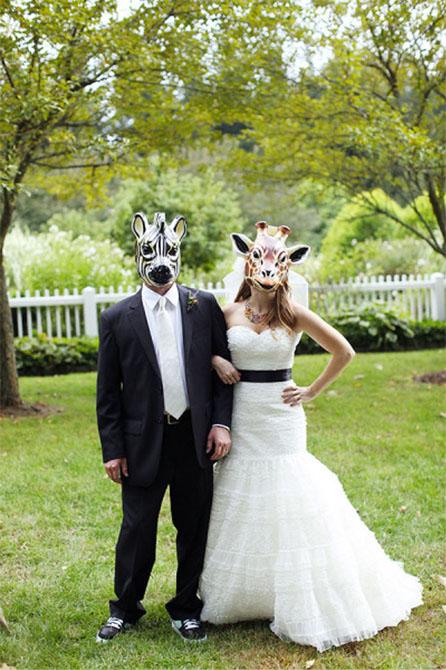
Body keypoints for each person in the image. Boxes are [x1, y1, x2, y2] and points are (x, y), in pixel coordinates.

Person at [199, 221, 423, 652]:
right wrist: (214, 359)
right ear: (247, 265)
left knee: (289, 490)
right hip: (243, 412)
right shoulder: (228, 313)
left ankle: (295, 589)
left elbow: (344, 350)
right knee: (242, 491)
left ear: (286, 268)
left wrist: (311, 390)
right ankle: (248, 593)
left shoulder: (294, 314)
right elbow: (200, 350)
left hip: (281, 416)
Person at [96, 211, 233, 643]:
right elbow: (108, 392)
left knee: (193, 526)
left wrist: (220, 423)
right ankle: (125, 607)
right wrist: (113, 449)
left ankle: (186, 608)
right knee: (137, 528)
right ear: (137, 252)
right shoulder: (116, 317)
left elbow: (222, 372)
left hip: (193, 436)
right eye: (151, 253)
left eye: (169, 252)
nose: (160, 263)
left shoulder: (203, 306)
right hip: (142, 443)